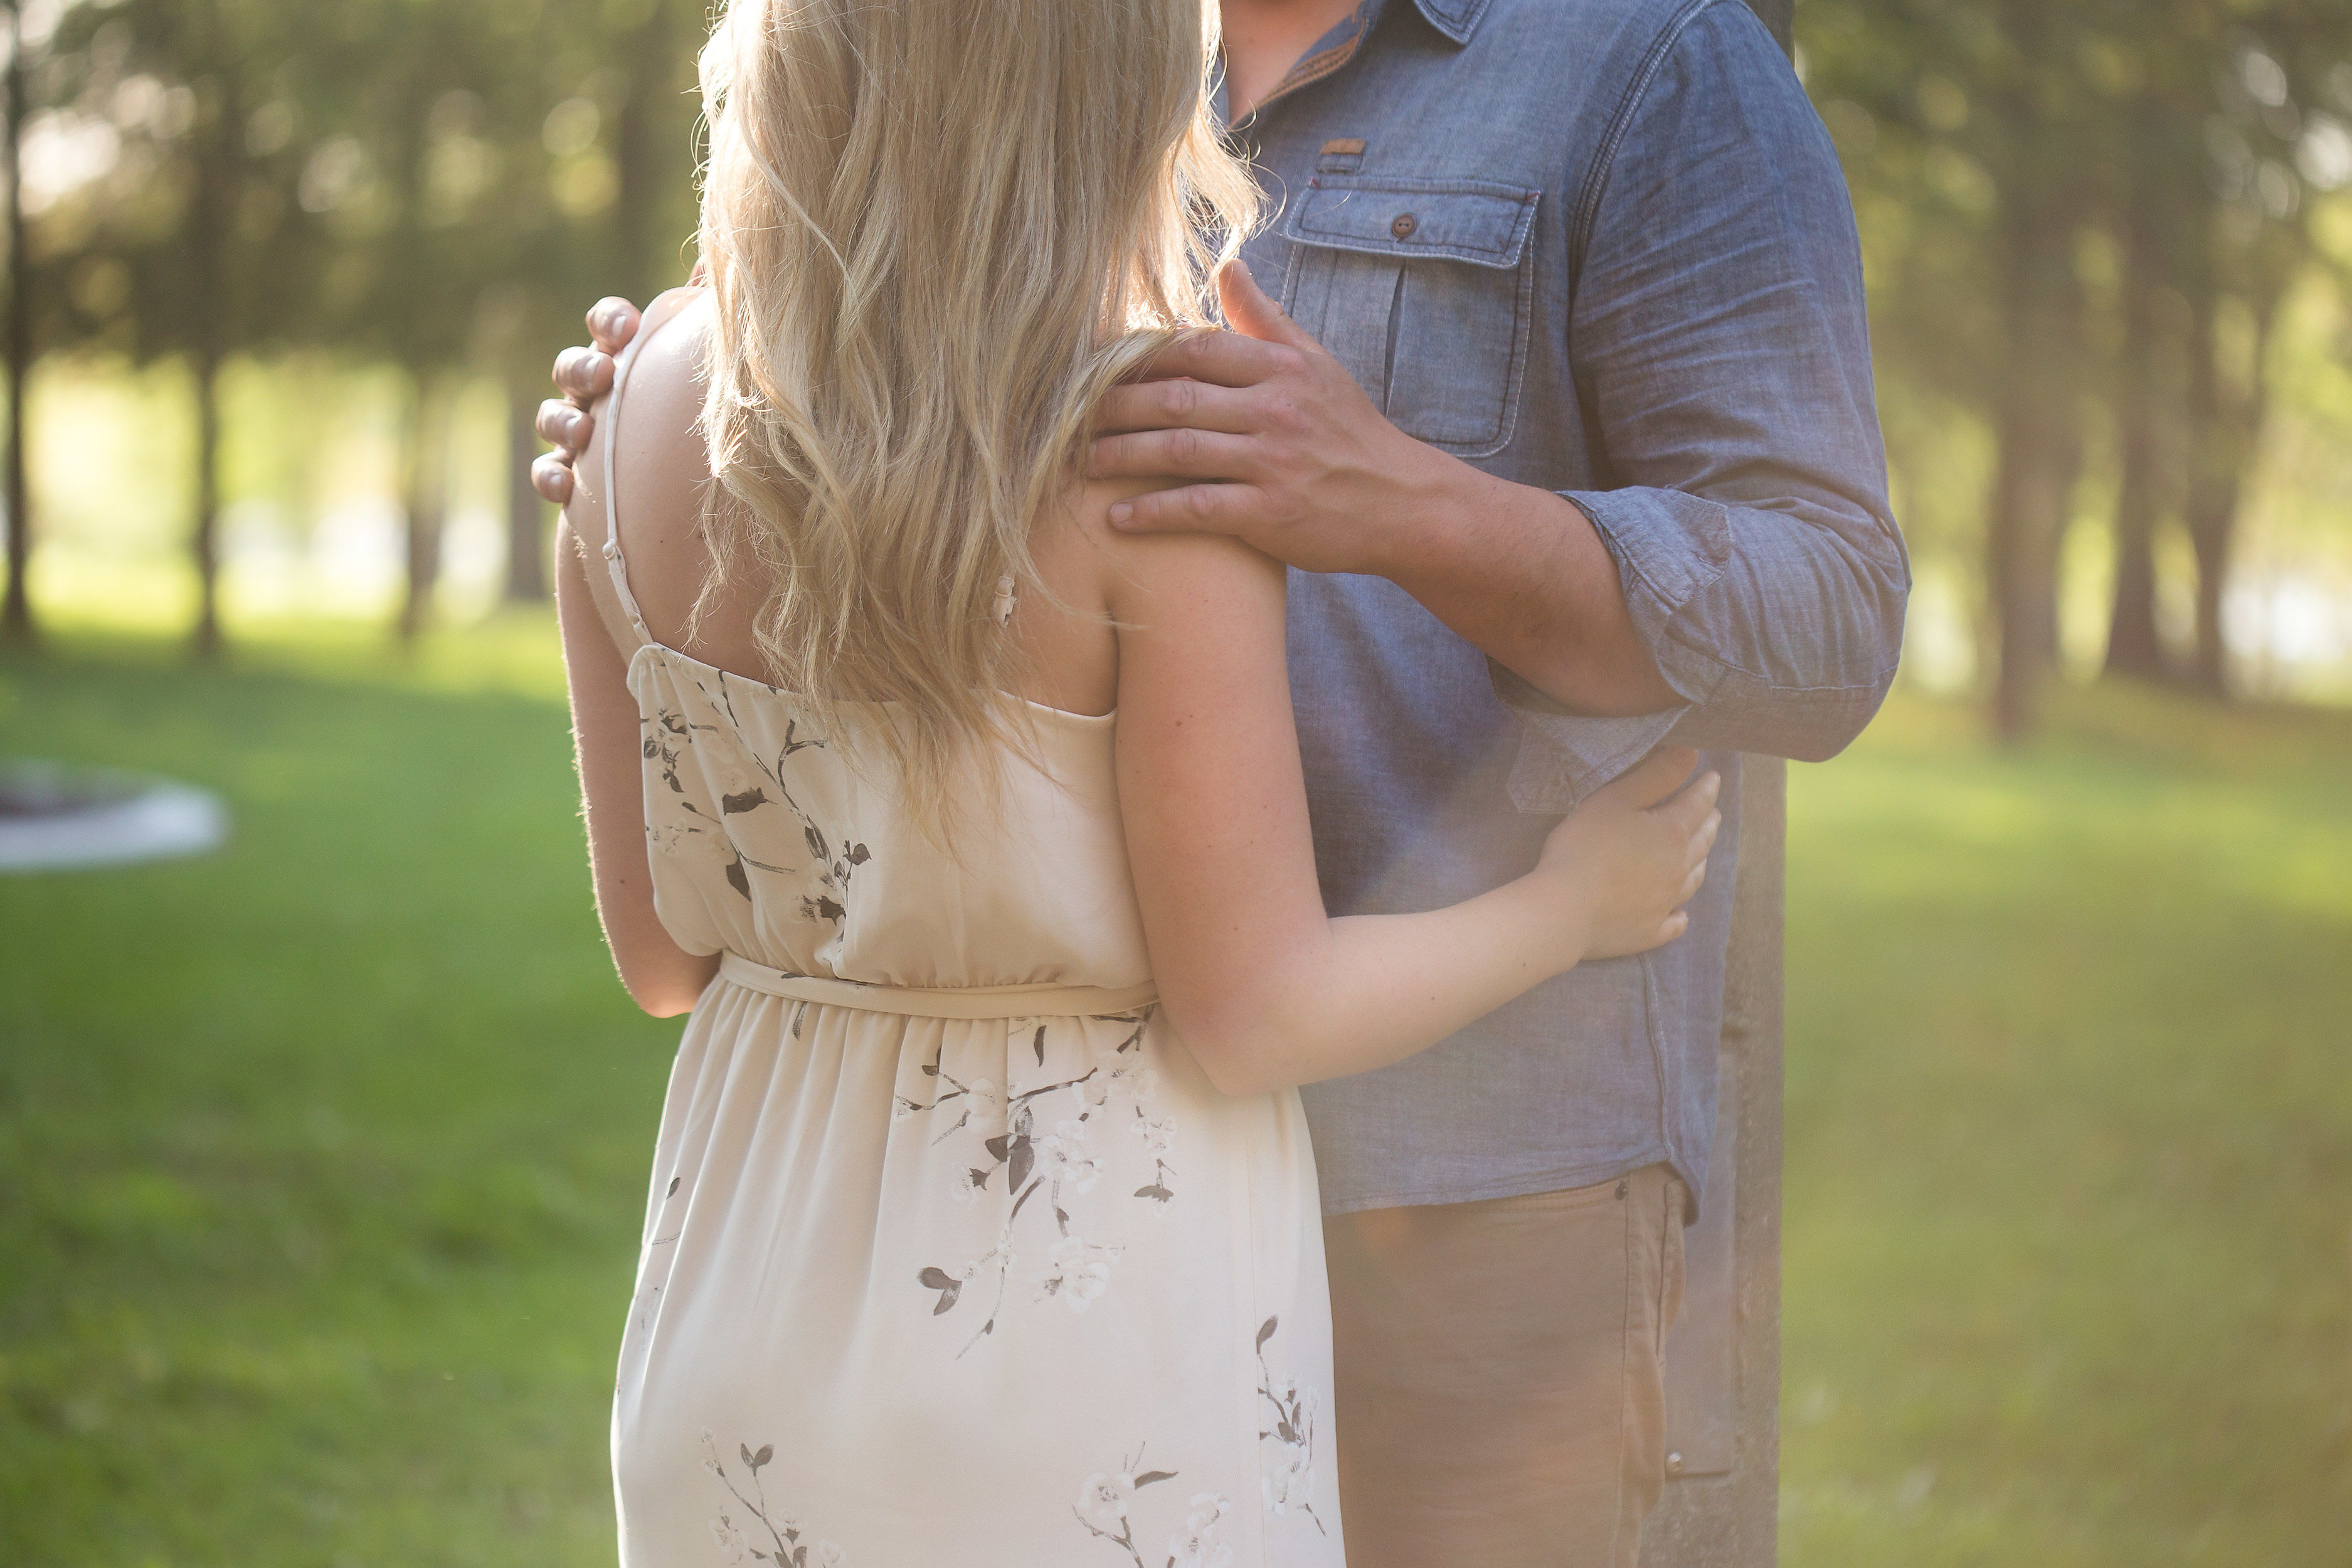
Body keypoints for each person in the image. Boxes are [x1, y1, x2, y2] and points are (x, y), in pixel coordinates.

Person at [542, 1, 1908, 1562]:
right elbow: (1249, 1001)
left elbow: (1831, 620)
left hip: (1417, 1191)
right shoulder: (1091, 52)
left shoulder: (1647, 58)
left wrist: (1405, 503)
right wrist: (1570, 906)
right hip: (1136, 1238)